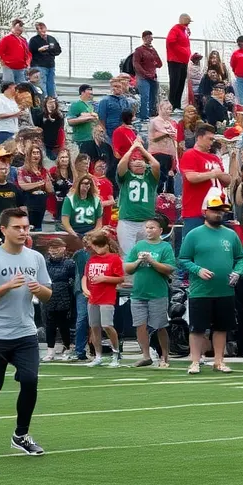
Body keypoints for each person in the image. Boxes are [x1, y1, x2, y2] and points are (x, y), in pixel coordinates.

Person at [0, 208, 53, 459]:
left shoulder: (35, 258)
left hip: (25, 332)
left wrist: (39, 290)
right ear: (4, 229)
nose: (23, 231)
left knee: (30, 381)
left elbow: (48, 294)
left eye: (26, 227)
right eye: (17, 227)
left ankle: (21, 434)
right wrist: (6, 287)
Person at [178, 193, 243, 374]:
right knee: (197, 328)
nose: (218, 214)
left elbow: (241, 258)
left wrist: (237, 272)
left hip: (225, 289)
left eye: (221, 211)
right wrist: (198, 270)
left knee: (222, 327)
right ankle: (195, 361)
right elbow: (183, 259)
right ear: (205, 211)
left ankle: (218, 361)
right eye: (214, 210)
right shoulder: (194, 235)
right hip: (201, 290)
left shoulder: (231, 235)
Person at [122, 214, 177, 369]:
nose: (148, 230)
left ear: (160, 230)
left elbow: (169, 268)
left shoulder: (165, 247)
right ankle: (145, 356)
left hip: (158, 293)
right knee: (140, 325)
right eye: (147, 227)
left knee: (160, 325)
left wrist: (152, 261)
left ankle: (164, 356)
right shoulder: (139, 246)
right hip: (138, 293)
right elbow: (127, 268)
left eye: (152, 227)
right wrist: (139, 260)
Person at [180, 124, 233, 238]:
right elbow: (191, 177)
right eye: (209, 139)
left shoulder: (215, 158)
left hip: (217, 210)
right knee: (194, 246)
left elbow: (228, 180)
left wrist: (220, 175)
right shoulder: (190, 154)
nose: (211, 142)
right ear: (199, 137)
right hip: (195, 211)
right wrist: (213, 173)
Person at [81, 231, 125, 368]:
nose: (98, 249)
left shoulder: (114, 258)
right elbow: (86, 276)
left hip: (107, 297)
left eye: (100, 246)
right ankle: (98, 355)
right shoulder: (92, 259)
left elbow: (120, 278)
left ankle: (116, 353)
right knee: (94, 327)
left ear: (107, 245)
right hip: (93, 297)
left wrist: (104, 278)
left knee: (107, 325)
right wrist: (85, 289)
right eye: (96, 246)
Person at [116, 140, 161, 253]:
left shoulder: (150, 177)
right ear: (129, 164)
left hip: (147, 222)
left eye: (141, 160)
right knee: (128, 255)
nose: (138, 162)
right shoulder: (126, 177)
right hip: (127, 221)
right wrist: (132, 148)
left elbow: (156, 165)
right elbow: (120, 165)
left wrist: (142, 149)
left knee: (148, 255)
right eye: (134, 160)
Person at [17, 143, 52, 232]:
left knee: (38, 227)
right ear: (29, 155)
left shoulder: (44, 170)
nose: (36, 155)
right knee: (29, 227)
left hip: (41, 203)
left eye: (38, 153)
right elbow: (23, 186)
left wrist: (48, 184)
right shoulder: (23, 170)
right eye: (34, 153)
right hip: (29, 202)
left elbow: (50, 190)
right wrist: (39, 183)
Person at [132, 30, 162, 121]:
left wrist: (154, 54)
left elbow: (160, 64)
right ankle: (143, 116)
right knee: (145, 97)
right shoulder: (139, 50)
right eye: (148, 38)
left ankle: (151, 114)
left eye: (151, 38)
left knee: (153, 97)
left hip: (153, 77)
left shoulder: (153, 50)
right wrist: (145, 73)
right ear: (144, 38)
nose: (150, 39)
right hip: (143, 78)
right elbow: (136, 64)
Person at [165, 13, 193, 108]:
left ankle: (177, 104)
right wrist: (182, 51)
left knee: (181, 83)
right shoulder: (175, 29)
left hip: (183, 61)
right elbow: (170, 41)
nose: (188, 24)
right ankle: (171, 105)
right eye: (187, 22)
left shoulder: (184, 30)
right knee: (175, 83)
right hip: (175, 61)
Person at [27, 22, 60, 98]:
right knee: (41, 85)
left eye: (41, 28)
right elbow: (30, 50)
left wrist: (50, 50)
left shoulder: (52, 39)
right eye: (38, 29)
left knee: (51, 85)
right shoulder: (34, 40)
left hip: (51, 65)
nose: (40, 30)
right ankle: (42, 102)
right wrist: (39, 50)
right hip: (39, 66)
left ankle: (52, 101)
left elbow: (58, 50)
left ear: (45, 28)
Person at [0, 18, 31, 84]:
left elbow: (28, 53)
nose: (18, 31)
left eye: (20, 30)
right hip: (9, 67)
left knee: (21, 86)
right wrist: (3, 61)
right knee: (9, 85)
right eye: (17, 29)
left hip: (21, 67)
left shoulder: (24, 40)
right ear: (13, 27)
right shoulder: (7, 38)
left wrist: (27, 63)